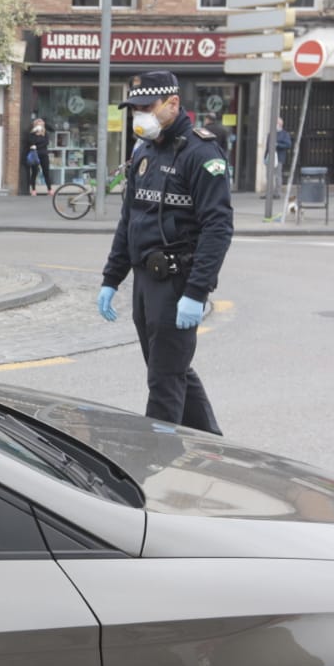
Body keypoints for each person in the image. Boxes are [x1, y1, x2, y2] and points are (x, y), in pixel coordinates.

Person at [97, 70, 234, 436]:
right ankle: (211, 443)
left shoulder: (201, 153)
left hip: (176, 284)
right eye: (134, 108)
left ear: (173, 103)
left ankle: (156, 464)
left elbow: (217, 228)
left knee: (164, 380)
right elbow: (130, 220)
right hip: (146, 281)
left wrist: (196, 291)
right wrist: (112, 277)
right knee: (171, 370)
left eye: (147, 107)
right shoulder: (144, 151)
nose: (139, 115)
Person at [24, 118, 52, 196]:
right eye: (38, 124)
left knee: (46, 172)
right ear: (35, 125)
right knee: (34, 172)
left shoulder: (45, 133)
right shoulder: (32, 134)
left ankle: (49, 189)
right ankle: (33, 189)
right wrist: (35, 133)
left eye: (41, 124)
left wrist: (37, 145)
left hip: (44, 155)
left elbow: (46, 143)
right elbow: (31, 142)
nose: (40, 125)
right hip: (35, 155)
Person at [271, 116, 292, 199]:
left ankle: (278, 193)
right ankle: (270, 193)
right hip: (270, 157)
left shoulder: (284, 134)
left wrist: (278, 145)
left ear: (280, 124)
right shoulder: (272, 133)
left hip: (279, 157)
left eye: (276, 123)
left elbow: (288, 144)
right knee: (269, 176)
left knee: (277, 175)